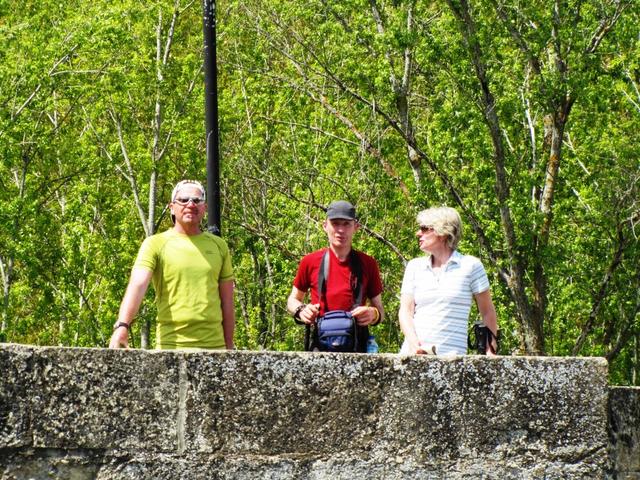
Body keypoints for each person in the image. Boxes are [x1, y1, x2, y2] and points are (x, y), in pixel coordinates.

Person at [109, 179, 235, 350]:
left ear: (204, 208)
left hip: (214, 347)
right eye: (183, 200)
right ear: (172, 207)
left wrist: (229, 348)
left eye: (197, 200)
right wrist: (122, 326)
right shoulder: (155, 244)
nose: (190, 204)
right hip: (170, 347)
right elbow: (138, 284)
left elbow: (227, 301)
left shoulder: (219, 246)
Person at [398, 206, 498, 356]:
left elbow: (488, 311)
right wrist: (414, 345)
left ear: (443, 232)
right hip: (413, 357)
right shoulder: (414, 266)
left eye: (425, 229)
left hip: (453, 360)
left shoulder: (471, 266)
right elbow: (405, 311)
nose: (418, 233)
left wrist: (491, 352)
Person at [287, 200, 384, 352]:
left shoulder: (368, 263)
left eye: (346, 224)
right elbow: (292, 300)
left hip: (358, 345)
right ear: (325, 226)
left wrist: (374, 314)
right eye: (335, 223)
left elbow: (380, 310)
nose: (340, 230)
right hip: (321, 343)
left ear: (356, 227)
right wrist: (301, 310)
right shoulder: (310, 261)